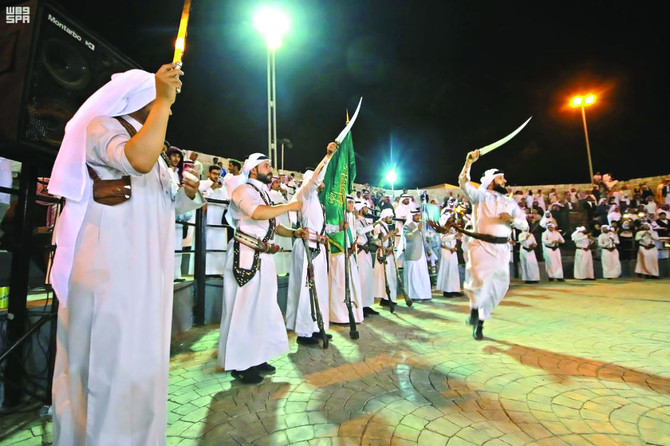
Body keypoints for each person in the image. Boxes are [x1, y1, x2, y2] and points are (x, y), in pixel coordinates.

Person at [48, 63, 204, 445]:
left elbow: (168, 204)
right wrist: (163, 104)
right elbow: (137, 160)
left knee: (139, 361)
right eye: (155, 93)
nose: (163, 101)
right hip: (111, 270)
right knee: (109, 362)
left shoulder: (152, 141)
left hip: (146, 271)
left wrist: (188, 191)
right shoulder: (101, 126)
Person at [217, 153, 304, 384]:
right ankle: (241, 364)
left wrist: (294, 233)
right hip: (244, 257)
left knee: (262, 309)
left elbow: (272, 223)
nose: (271, 168)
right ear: (253, 170)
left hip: (263, 257)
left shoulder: (262, 193)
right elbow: (258, 213)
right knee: (244, 310)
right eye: (266, 165)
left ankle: (257, 357)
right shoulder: (244, 190)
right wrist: (290, 205)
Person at [458, 150, 529, 340]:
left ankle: (478, 312)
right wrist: (468, 162)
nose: (505, 181)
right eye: (501, 179)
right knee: (480, 283)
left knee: (500, 286)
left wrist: (511, 220)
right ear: (491, 181)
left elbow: (525, 225)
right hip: (481, 246)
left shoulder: (510, 202)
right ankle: (478, 320)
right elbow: (463, 182)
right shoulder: (480, 196)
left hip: (502, 249)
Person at [285, 144, 336, 345]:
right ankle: (304, 332)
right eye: (318, 181)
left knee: (319, 289)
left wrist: (338, 227)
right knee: (306, 290)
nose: (322, 183)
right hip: (306, 249)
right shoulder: (304, 194)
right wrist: (328, 157)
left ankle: (316, 326)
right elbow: (316, 178)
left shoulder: (316, 201)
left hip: (318, 248)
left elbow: (320, 228)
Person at [327, 195, 364, 324]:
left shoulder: (351, 218)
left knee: (352, 283)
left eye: (352, 203)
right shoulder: (336, 216)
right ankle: (339, 316)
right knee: (340, 284)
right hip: (339, 255)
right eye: (349, 203)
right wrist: (339, 228)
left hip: (350, 255)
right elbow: (327, 229)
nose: (351, 205)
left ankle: (353, 314)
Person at [199, 164, 229, 275]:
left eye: (218, 174)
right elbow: (201, 198)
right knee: (207, 244)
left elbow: (226, 202)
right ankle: (205, 271)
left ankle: (218, 271)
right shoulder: (203, 184)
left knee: (219, 245)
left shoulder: (223, 188)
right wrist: (212, 188)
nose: (216, 176)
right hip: (207, 220)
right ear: (209, 173)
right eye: (214, 173)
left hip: (219, 223)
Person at [354, 201, 378, 316]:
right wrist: (373, 225)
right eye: (365, 208)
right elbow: (360, 231)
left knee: (368, 279)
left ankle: (367, 305)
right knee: (362, 279)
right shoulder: (356, 220)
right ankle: (361, 306)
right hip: (360, 252)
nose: (367, 210)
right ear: (360, 209)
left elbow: (369, 236)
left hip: (367, 252)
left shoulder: (364, 221)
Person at [403, 209, 432, 301]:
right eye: (416, 215)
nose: (418, 217)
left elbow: (423, 239)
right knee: (413, 275)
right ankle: (413, 296)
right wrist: (417, 229)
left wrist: (428, 250)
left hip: (421, 254)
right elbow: (408, 236)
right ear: (411, 216)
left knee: (422, 274)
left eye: (418, 215)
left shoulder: (420, 225)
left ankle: (423, 295)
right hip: (412, 254)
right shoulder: (407, 226)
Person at [373, 209, 398, 308]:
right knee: (384, 277)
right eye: (390, 217)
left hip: (389, 253)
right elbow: (378, 241)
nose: (391, 219)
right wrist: (389, 235)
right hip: (382, 254)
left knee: (390, 276)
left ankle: (389, 298)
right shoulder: (378, 226)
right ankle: (384, 298)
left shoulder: (386, 225)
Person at [268, 176, 292, 275]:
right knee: (278, 244)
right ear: (271, 184)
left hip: (285, 221)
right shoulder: (268, 194)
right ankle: (276, 270)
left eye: (279, 182)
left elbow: (288, 205)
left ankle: (286, 269)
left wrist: (285, 196)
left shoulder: (281, 194)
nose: (279, 184)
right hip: (276, 221)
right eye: (276, 182)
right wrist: (275, 205)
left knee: (285, 244)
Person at [435, 225, 461, 296]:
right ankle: (447, 290)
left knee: (454, 270)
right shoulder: (441, 230)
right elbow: (442, 240)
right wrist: (454, 236)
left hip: (453, 252)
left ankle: (455, 289)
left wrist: (455, 247)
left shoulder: (452, 229)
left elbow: (458, 238)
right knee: (447, 270)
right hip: (446, 252)